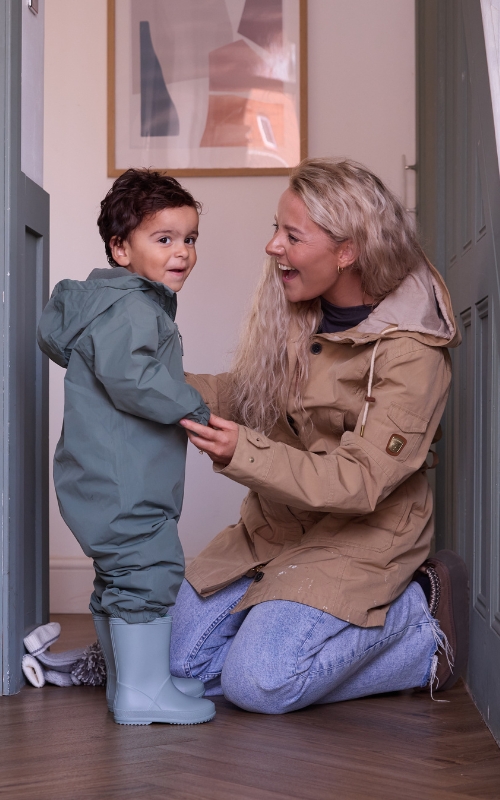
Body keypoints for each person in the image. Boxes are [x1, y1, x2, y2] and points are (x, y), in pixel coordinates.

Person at [172, 157, 469, 714]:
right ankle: (287, 624)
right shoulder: (302, 310)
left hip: (362, 537)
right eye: (275, 229)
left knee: (257, 682)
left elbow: (359, 481)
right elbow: (248, 393)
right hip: (280, 529)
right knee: (181, 665)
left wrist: (244, 452)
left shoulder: (412, 353)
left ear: (347, 250)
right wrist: (159, 387)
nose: (272, 247)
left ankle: (419, 625)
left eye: (291, 235)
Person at [37, 169, 216, 726]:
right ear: (120, 248)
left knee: (121, 578)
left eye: (189, 239)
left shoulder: (114, 303)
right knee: (148, 570)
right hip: (124, 484)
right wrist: (194, 406)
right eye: (163, 239)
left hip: (103, 479)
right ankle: (143, 693)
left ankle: (133, 682)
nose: (181, 252)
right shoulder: (133, 308)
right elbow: (133, 379)